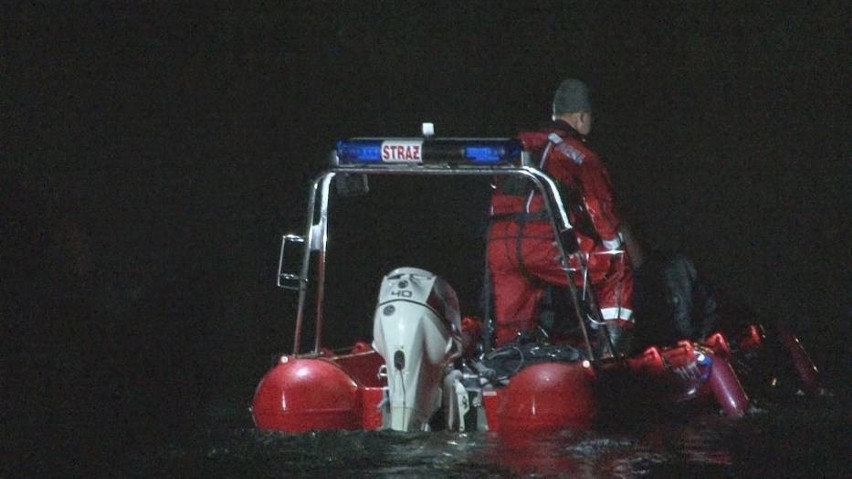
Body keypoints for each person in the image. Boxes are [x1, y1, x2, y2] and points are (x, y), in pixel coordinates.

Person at [487, 78, 634, 354]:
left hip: (500, 246)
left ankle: (507, 364)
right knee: (616, 268)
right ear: (581, 117)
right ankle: (612, 353)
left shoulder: (518, 144)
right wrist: (615, 248)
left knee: (513, 323)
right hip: (544, 244)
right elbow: (599, 208)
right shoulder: (579, 154)